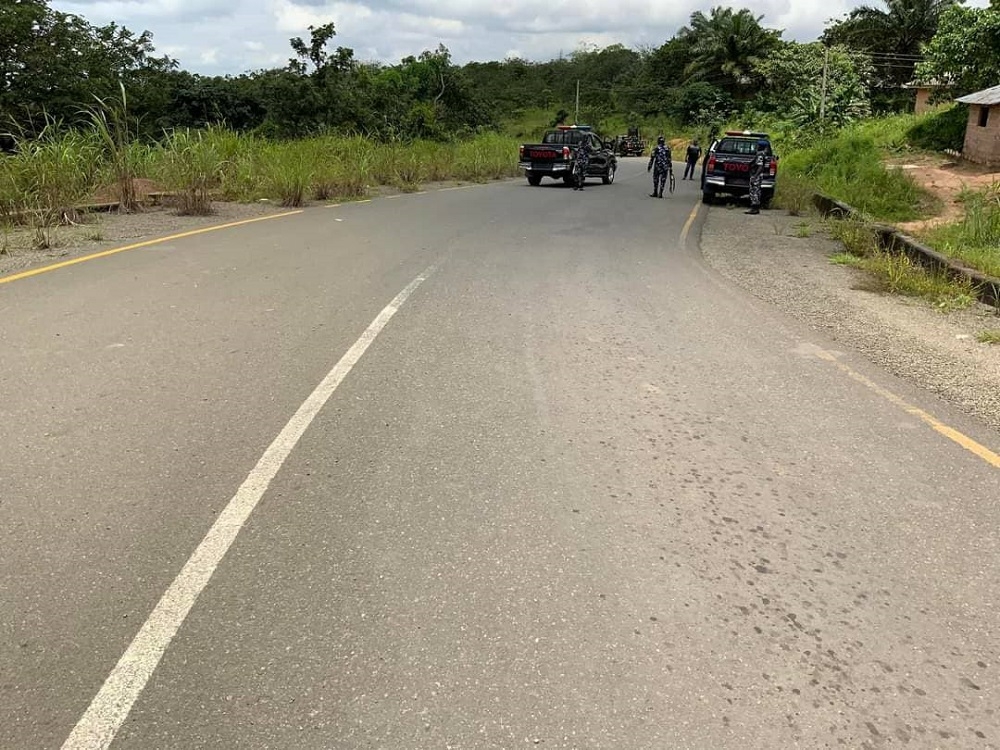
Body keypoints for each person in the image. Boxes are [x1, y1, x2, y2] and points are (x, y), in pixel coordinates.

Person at [746, 139, 769, 215]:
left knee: (754, 191)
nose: (757, 146)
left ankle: (754, 208)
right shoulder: (762, 154)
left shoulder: (760, 155)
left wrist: (755, 176)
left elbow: (760, 166)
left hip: (756, 175)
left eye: (758, 145)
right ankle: (755, 208)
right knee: (756, 191)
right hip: (757, 175)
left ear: (760, 146)